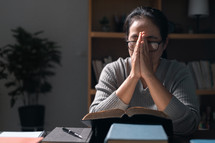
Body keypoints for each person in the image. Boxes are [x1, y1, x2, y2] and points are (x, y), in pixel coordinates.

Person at [89, 7, 200, 135]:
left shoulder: (178, 72)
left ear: (164, 44)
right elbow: (96, 121)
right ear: (126, 41)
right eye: (135, 41)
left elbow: (187, 125)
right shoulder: (113, 70)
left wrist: (149, 76)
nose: (142, 49)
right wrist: (133, 77)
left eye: (151, 42)